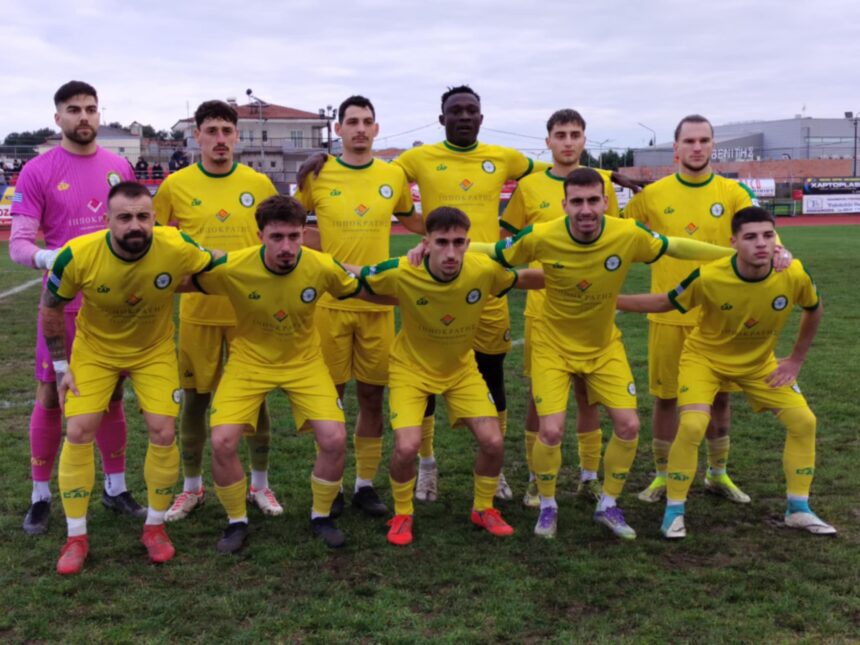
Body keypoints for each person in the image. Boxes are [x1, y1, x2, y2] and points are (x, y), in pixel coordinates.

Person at [488, 167, 734, 540]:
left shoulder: (627, 233)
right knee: (551, 430)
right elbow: (493, 254)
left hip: (604, 346)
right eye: (577, 202)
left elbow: (675, 245)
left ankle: (608, 504)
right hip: (553, 347)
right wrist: (442, 249)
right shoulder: (541, 235)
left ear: (606, 202)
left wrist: (732, 253)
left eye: (593, 200)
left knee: (629, 425)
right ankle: (549, 505)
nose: (586, 209)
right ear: (564, 205)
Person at [616, 206, 835, 538]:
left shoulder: (793, 273)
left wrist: (795, 360)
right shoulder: (709, 277)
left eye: (768, 235)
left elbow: (814, 309)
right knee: (693, 424)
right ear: (733, 242)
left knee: (804, 422)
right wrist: (610, 300)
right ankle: (674, 511)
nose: (761, 243)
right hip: (704, 361)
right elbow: (664, 302)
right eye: (750, 237)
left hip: (759, 363)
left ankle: (798, 509)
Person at [43, 181, 216, 574]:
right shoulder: (77, 254)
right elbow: (50, 307)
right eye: (124, 217)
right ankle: (75, 537)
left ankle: (154, 528)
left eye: (143, 216)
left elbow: (214, 264)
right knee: (79, 431)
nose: (134, 225)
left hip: (153, 351)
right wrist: (61, 367)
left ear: (155, 218)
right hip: (95, 352)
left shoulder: (177, 244)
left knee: (163, 432)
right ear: (107, 220)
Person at [623, 114, 793, 505]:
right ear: (676, 148)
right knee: (666, 397)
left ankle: (718, 474)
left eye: (704, 140)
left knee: (720, 398)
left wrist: (780, 249)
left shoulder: (733, 192)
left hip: (721, 317)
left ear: (713, 145)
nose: (697, 147)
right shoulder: (652, 195)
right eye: (689, 141)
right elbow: (617, 231)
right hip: (669, 313)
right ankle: (663, 475)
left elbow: (763, 230)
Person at [189, 195, 367, 551]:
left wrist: (422, 281)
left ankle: (321, 515)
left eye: (294, 236)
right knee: (222, 442)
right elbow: (180, 280)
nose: (286, 247)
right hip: (249, 362)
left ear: (304, 234)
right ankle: (236, 521)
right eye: (276, 237)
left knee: (334, 439)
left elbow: (368, 286)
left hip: (304, 363)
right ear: (260, 236)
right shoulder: (233, 266)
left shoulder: (322, 266)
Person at [361, 206, 544, 546]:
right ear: (426, 242)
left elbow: (521, 279)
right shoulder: (403, 270)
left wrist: (579, 276)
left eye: (458, 242)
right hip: (411, 371)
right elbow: (354, 280)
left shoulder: (483, 269)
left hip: (461, 369)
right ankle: (402, 513)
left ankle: (483, 508)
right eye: (441, 242)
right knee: (407, 447)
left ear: (468, 243)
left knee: (493, 442)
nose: (450, 252)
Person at [8, 80, 140, 537]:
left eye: (90, 108)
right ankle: (40, 496)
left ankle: (116, 487)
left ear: (99, 114)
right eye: (74, 109)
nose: (84, 116)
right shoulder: (37, 170)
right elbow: (19, 244)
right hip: (62, 306)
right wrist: (53, 258)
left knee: (113, 394)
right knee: (51, 394)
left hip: (113, 305)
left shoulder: (119, 166)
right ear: (58, 117)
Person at [294, 95, 425, 517]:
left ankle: (364, 485)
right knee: (328, 399)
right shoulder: (318, 174)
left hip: (378, 304)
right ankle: (329, 483)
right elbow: (290, 223)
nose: (361, 129)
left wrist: (446, 236)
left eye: (368, 122)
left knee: (372, 397)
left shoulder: (392, 175)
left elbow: (413, 220)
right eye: (352, 122)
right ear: (338, 130)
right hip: (329, 304)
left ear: (377, 128)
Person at [154, 100, 281, 522]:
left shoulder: (258, 183)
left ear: (237, 136)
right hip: (198, 311)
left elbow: (276, 237)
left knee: (255, 400)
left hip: (249, 312)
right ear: (197, 136)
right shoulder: (175, 185)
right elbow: (158, 240)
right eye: (211, 131)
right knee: (195, 401)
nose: (220, 139)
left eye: (227, 131)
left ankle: (260, 485)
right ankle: (192, 488)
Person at [500, 108, 619, 508]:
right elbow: (507, 243)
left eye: (575, 134)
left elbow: (614, 237)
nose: (568, 141)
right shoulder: (530, 186)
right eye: (561, 134)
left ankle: (589, 477)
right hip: (544, 311)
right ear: (548, 141)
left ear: (584, 139)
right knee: (540, 398)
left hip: (593, 312)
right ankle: (538, 478)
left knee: (589, 397)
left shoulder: (602, 184)